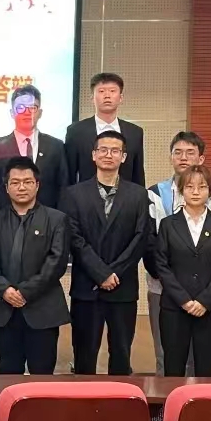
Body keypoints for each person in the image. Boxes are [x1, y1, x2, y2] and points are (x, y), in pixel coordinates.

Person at [59, 131, 150, 375]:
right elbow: (74, 238)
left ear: (124, 157)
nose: (108, 155)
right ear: (93, 155)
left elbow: (140, 238)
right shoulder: (73, 194)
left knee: (121, 354)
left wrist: (114, 273)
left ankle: (120, 398)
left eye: (115, 151)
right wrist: (101, 274)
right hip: (86, 288)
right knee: (84, 356)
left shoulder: (138, 195)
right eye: (103, 150)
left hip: (123, 287)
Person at [146, 131, 211, 376]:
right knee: (169, 361)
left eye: (190, 152)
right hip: (169, 295)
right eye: (178, 152)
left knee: (205, 364)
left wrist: (204, 299)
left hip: (209, 301)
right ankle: (168, 402)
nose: (183, 158)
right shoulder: (159, 202)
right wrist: (181, 296)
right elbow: (156, 254)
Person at [0, 157, 71, 374]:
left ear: (37, 185)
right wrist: (4, 289)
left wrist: (24, 292)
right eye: (15, 182)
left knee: (42, 374)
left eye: (27, 182)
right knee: (7, 370)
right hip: (4, 308)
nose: (21, 187)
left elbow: (56, 262)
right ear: (6, 187)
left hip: (43, 309)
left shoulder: (56, 219)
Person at [0, 84, 69, 210]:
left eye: (32, 108)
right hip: (6, 217)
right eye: (20, 108)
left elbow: (63, 187)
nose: (26, 113)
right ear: (12, 113)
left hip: (47, 217)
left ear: (40, 113)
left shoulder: (56, 146)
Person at [64, 73, 145, 186]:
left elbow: (138, 174)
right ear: (92, 98)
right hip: (86, 195)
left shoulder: (134, 132)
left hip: (126, 195)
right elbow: (69, 174)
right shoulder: (76, 131)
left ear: (120, 98)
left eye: (112, 91)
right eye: (101, 91)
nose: (107, 96)